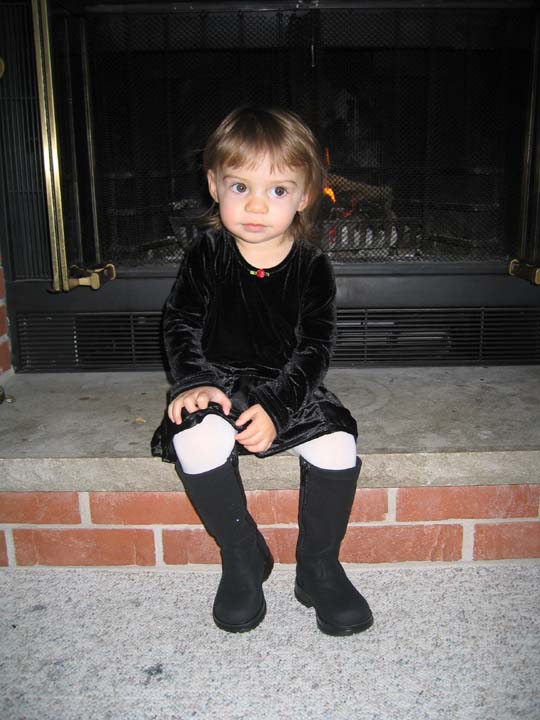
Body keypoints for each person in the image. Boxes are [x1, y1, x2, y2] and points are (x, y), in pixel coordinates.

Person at [151, 106, 373, 636]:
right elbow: (180, 321)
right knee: (195, 440)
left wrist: (276, 407)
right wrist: (193, 381)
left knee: (337, 445)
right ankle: (242, 554)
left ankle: (319, 567)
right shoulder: (207, 253)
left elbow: (315, 348)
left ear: (304, 195)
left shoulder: (312, 266)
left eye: (277, 190)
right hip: (217, 381)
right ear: (213, 185)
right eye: (239, 187)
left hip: (286, 386)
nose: (256, 205)